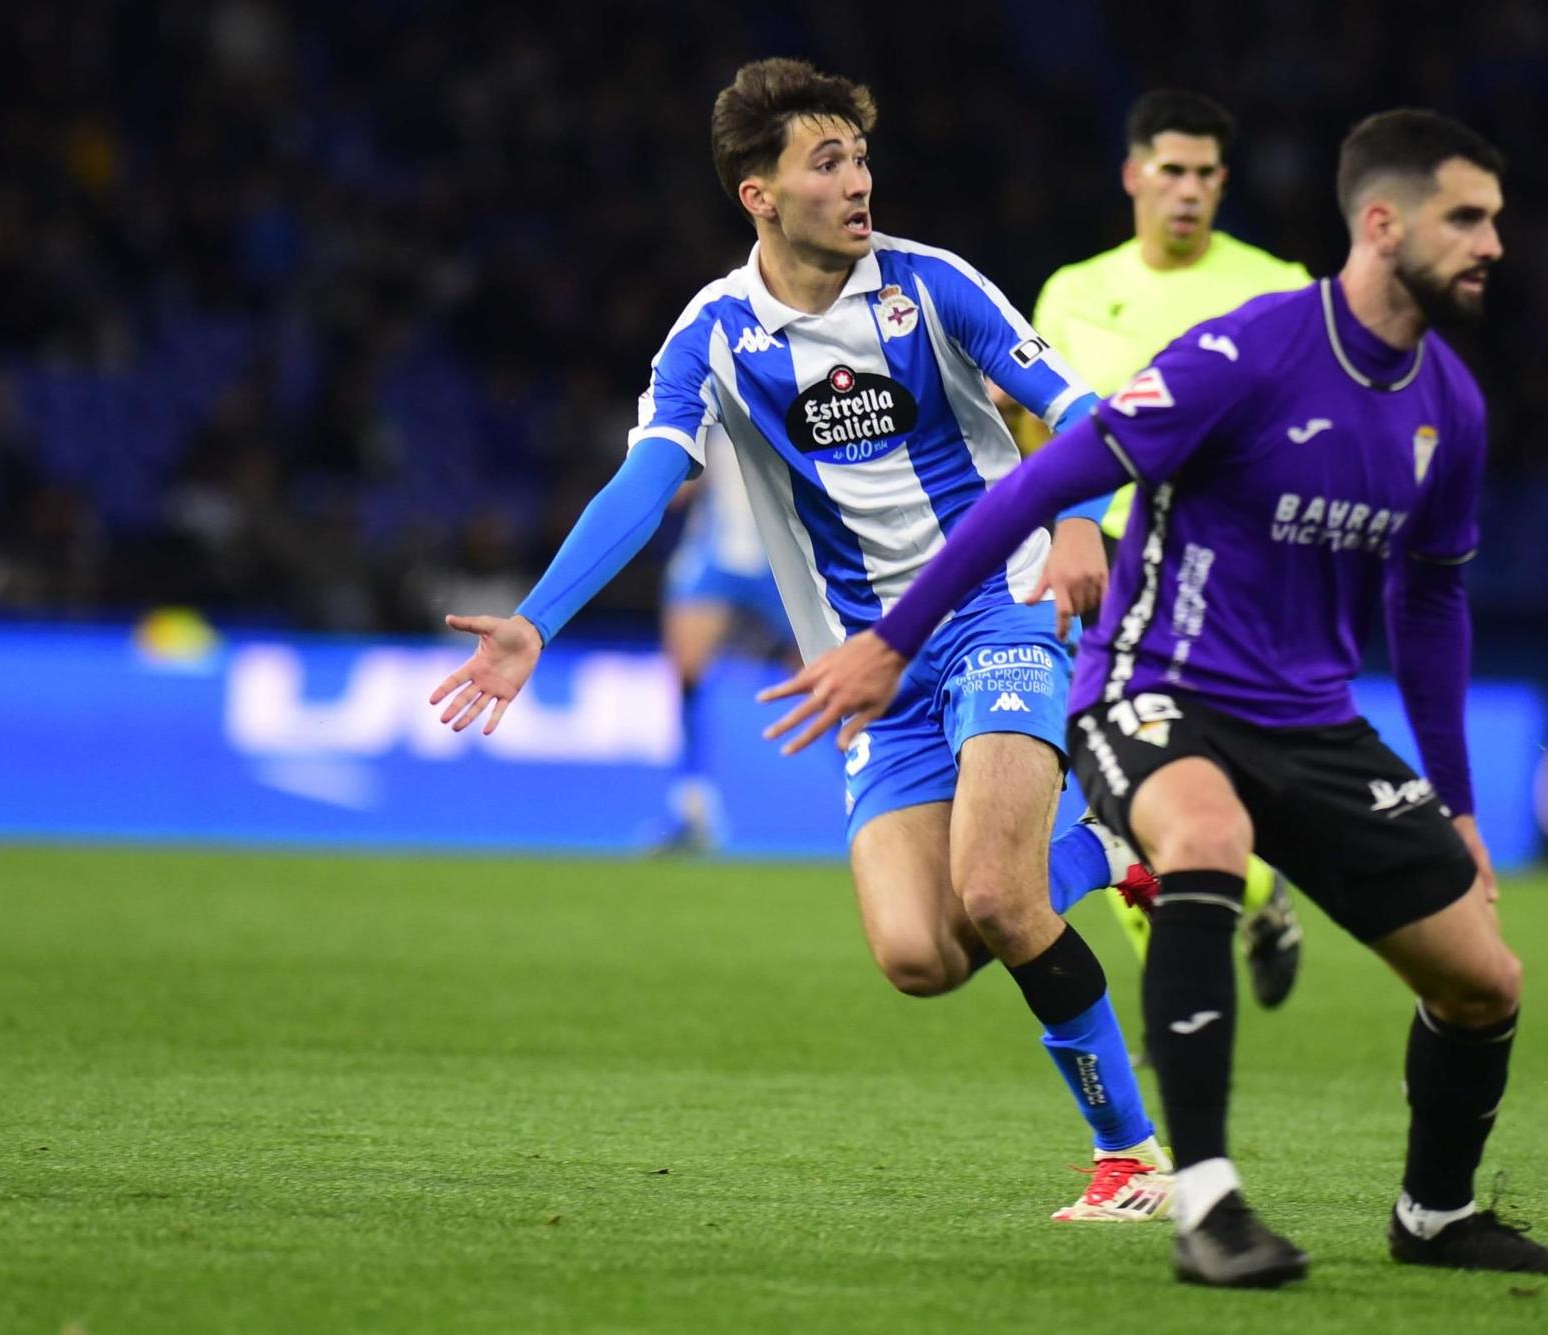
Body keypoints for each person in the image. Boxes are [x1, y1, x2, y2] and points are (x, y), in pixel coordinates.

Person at [762, 109, 1548, 1286]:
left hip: (1313, 720)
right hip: (1159, 687)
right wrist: (892, 640)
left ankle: (1435, 1215)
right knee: (1196, 839)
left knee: (1481, 978)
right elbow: (1038, 482)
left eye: (1495, 220)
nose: (1492, 242)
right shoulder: (1245, 352)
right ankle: (1202, 1201)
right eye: (1467, 217)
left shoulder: (1447, 405)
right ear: (1381, 221)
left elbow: (1429, 607)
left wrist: (1454, 806)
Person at [428, 58, 1173, 1222]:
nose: (858, 180)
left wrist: (1076, 522)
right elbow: (647, 477)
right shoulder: (716, 334)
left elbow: (1078, 415)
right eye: (826, 161)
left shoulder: (931, 289)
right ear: (757, 195)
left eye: (861, 156)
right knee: (919, 956)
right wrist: (534, 621)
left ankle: (1129, 1161)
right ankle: (1117, 847)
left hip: (1000, 608)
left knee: (992, 892)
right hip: (865, 668)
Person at [1024, 89, 1313, 1004]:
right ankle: (1187, 984)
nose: (1186, 189)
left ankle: (1246, 900)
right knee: (1113, 792)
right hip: (1097, 566)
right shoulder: (1072, 292)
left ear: (1223, 183)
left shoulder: (1279, 288)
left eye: (1204, 174)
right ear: (1133, 174)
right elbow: (1041, 436)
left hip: (1216, 574)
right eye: (1170, 169)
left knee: (1160, 788)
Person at [657, 424, 799, 851]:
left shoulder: (789, 389)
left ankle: (871, 792)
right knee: (685, 674)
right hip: (715, 557)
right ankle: (692, 806)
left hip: (781, 560)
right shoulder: (704, 399)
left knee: (829, 679)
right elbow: (674, 487)